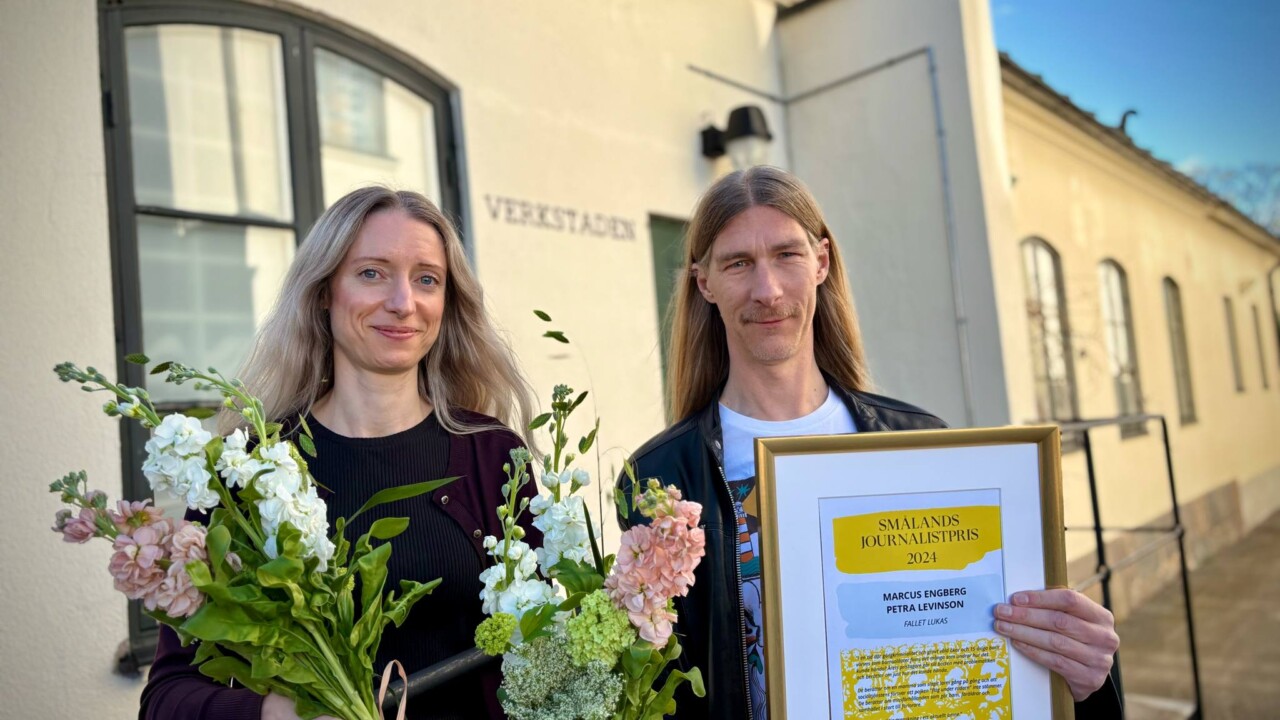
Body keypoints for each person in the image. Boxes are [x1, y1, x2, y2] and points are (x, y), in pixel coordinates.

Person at [618, 166, 1122, 718]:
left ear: (822, 262)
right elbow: (655, 691)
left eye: (787, 254)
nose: (768, 290)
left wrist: (1086, 674)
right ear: (704, 282)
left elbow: (992, 651)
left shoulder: (921, 446)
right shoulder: (659, 480)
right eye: (738, 263)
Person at [139, 187, 539, 720]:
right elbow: (167, 697)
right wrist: (278, 714)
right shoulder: (247, 470)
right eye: (372, 273)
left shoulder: (493, 457)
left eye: (427, 279)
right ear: (324, 291)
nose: (403, 302)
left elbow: (549, 648)